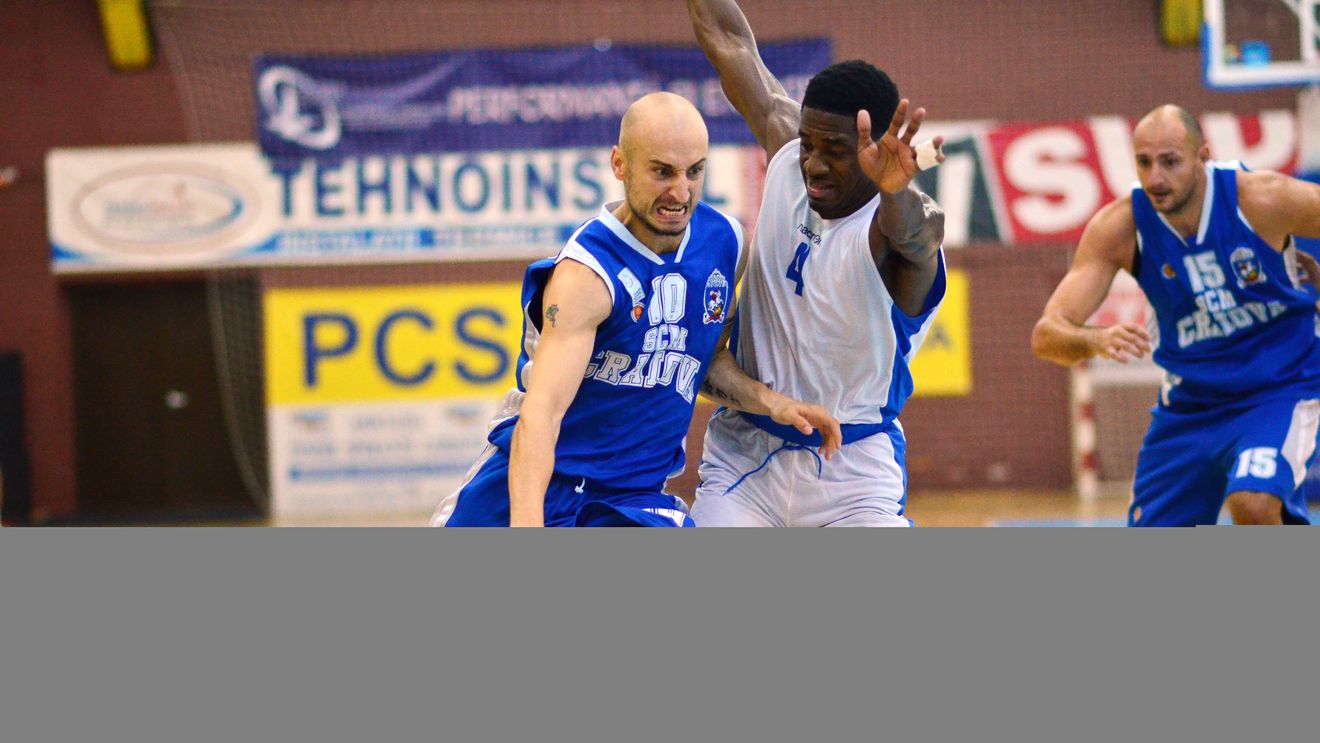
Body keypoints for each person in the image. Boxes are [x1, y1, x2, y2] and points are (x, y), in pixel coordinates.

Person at [432, 92, 841, 527]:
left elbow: (703, 363)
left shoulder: (724, 243)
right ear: (619, 164)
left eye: (694, 171)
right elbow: (542, 415)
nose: (681, 192)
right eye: (662, 172)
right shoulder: (587, 275)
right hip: (534, 486)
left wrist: (771, 402)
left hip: (630, 497)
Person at [684, 0, 947, 527]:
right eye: (809, 144)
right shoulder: (789, 156)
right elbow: (730, 42)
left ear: (876, 150)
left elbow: (917, 236)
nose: (814, 164)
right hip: (747, 451)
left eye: (835, 151)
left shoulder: (898, 232)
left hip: (852, 471)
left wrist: (895, 192)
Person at [1032, 104, 1320, 526]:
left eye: (1170, 162)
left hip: (1278, 389)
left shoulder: (1261, 199)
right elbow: (1046, 336)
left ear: (1203, 156)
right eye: (1144, 162)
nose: (1155, 178)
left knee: (1254, 503)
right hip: (1190, 407)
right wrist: (1093, 338)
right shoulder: (1121, 227)